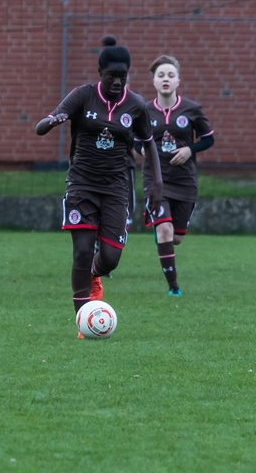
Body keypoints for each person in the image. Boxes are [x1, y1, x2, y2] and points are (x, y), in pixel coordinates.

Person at [36, 36, 164, 320]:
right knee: (82, 251)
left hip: (115, 188)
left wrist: (157, 184)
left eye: (122, 77)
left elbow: (149, 143)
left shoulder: (136, 106)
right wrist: (51, 122)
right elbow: (43, 125)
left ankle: (95, 274)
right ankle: (83, 319)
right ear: (100, 74)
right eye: (111, 77)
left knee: (110, 258)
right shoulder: (83, 95)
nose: (117, 83)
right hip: (82, 184)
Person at [140, 54, 215, 297]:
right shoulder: (144, 111)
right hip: (156, 179)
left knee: (177, 238)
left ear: (178, 81)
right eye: (161, 75)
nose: (165, 79)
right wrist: (139, 146)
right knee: (165, 230)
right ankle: (174, 287)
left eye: (170, 75)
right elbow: (130, 135)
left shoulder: (191, 109)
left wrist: (189, 149)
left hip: (184, 180)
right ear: (153, 81)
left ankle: (164, 232)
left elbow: (208, 139)